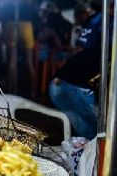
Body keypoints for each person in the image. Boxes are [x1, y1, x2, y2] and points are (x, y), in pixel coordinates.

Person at [48, 1, 105, 140]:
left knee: (89, 133)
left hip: (58, 84)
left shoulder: (95, 24)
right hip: (77, 87)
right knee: (101, 133)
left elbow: (79, 51)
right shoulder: (98, 22)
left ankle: (86, 155)